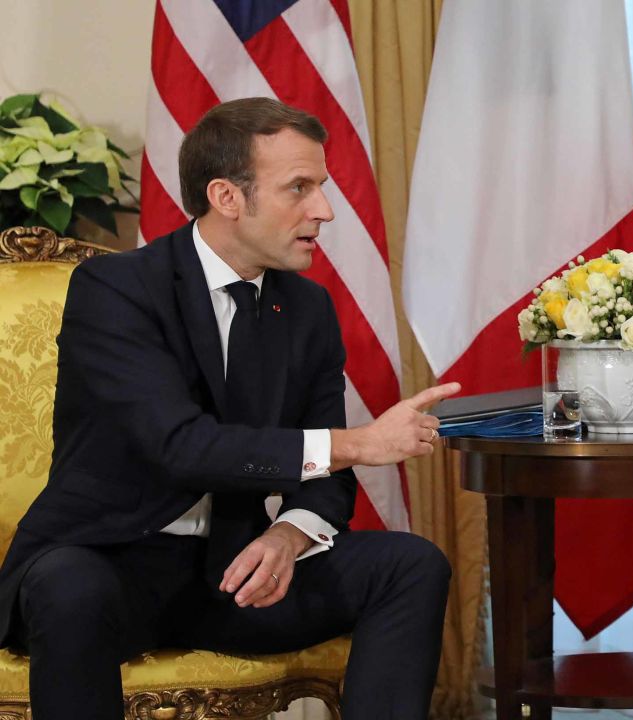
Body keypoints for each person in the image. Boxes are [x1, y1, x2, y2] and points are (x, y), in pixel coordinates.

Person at [0, 98, 461, 719]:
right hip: (108, 562)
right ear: (226, 197)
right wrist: (359, 441)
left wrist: (288, 535)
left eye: (320, 187)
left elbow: (328, 483)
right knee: (67, 587)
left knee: (410, 565)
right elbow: (180, 447)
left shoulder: (308, 310)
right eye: (299, 188)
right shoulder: (116, 290)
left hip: (230, 573)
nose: (323, 210)